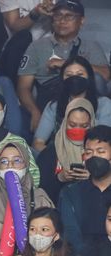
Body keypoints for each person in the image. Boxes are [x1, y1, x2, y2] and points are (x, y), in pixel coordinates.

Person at [17, 0, 109, 131]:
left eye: (69, 16)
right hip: (51, 101)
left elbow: (104, 76)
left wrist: (66, 64)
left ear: (81, 20)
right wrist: (34, 112)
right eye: (58, 15)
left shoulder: (91, 46)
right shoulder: (37, 47)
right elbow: (23, 87)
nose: (62, 20)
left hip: (86, 103)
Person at [33, 56, 111, 152]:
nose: (74, 78)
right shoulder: (54, 106)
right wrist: (58, 158)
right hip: (58, 158)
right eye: (69, 75)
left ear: (89, 77)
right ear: (62, 79)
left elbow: (104, 144)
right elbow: (38, 143)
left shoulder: (104, 105)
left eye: (80, 74)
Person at [59, 125, 111, 256]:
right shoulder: (71, 193)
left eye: (101, 151)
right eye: (88, 152)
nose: (94, 157)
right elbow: (70, 234)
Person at [38, 98, 95, 206]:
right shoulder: (50, 153)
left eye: (84, 126)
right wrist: (60, 178)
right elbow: (40, 192)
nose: (77, 130)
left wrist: (93, 178)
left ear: (92, 124)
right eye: (72, 125)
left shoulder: (100, 152)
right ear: (64, 123)